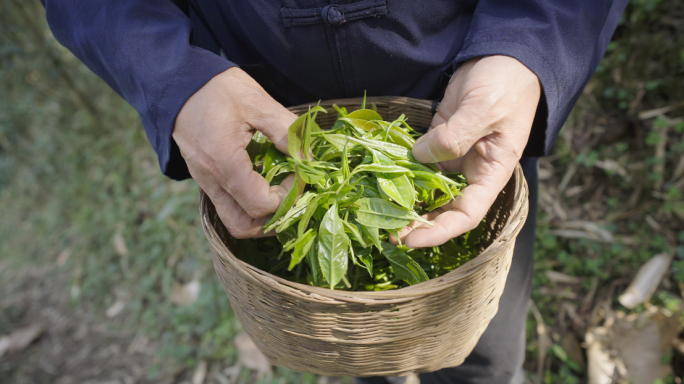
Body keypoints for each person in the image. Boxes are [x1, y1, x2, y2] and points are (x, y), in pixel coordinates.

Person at [41, 1, 628, 383]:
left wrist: (527, 50)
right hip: (268, 120)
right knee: (359, 343)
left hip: (465, 107)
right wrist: (173, 77)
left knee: (483, 351)